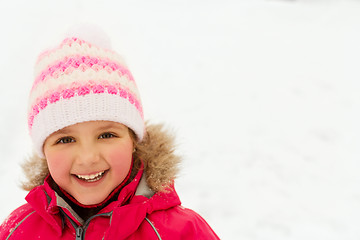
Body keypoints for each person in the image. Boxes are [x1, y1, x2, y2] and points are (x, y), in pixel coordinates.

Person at [0, 27, 220, 240]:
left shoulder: (182, 233)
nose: (88, 157)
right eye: (65, 139)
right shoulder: (17, 231)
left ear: (134, 140)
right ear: (43, 150)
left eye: (106, 135)